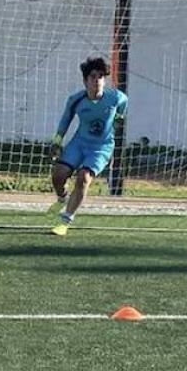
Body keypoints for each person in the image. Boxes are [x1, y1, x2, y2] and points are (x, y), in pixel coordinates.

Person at [47, 56, 128, 236]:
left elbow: (124, 105)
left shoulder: (115, 97)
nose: (97, 80)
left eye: (101, 76)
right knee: (58, 175)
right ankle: (62, 198)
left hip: (101, 147)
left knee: (83, 178)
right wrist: (57, 142)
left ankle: (65, 221)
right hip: (79, 143)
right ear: (85, 80)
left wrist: (118, 119)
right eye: (93, 76)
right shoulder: (76, 100)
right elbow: (65, 120)